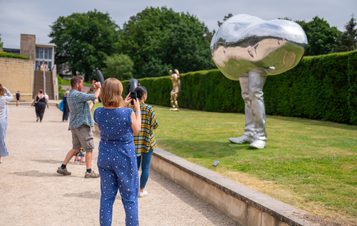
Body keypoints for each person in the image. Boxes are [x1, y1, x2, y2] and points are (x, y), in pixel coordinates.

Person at [94, 78, 141, 226]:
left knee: (107, 198)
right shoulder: (127, 113)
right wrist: (137, 109)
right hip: (124, 157)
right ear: (119, 92)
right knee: (129, 198)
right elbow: (137, 129)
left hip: (105, 156)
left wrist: (123, 106)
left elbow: (109, 119)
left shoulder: (98, 112)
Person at [56, 76, 101, 178]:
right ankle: (89, 172)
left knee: (75, 148)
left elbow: (85, 95)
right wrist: (99, 88)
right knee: (89, 148)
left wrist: (91, 89)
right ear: (77, 84)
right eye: (81, 83)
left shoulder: (71, 94)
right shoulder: (77, 94)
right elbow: (94, 97)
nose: (83, 85)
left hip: (74, 125)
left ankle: (62, 167)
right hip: (82, 126)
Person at [229, 70, 267, 149]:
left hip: (258, 62)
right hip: (244, 62)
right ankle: (249, 133)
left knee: (255, 93)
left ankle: (261, 137)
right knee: (246, 96)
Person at [133, 86, 159, 198]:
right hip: (147, 141)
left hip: (134, 143)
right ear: (144, 95)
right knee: (146, 167)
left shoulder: (131, 108)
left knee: (134, 168)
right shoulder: (149, 109)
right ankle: (141, 190)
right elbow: (155, 124)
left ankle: (133, 190)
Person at [0, 84, 13, 163]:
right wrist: (6, 89)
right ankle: (0, 156)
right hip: (2, 122)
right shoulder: (3, 98)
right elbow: (11, 97)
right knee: (1, 139)